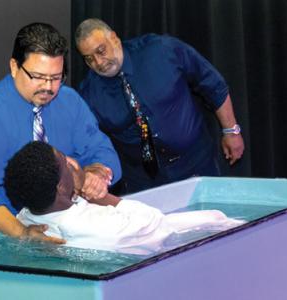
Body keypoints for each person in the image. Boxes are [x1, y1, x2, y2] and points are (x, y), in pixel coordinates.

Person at [0, 23, 121, 243]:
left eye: (56, 77)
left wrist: (98, 174)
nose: (48, 87)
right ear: (14, 67)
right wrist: (22, 233)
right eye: (38, 76)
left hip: (54, 222)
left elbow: (100, 149)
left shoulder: (69, 101)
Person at [74, 18, 245, 194]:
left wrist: (231, 131)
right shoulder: (89, 94)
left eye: (101, 51)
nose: (99, 62)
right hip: (144, 180)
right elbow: (89, 142)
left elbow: (212, 84)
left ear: (114, 38)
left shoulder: (161, 50)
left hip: (196, 162)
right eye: (89, 59)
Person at [4, 141, 244, 255]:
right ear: (59, 186)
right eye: (65, 163)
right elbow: (154, 221)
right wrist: (101, 196)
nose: (72, 163)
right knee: (217, 217)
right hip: (158, 252)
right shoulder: (102, 227)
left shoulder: (26, 219)